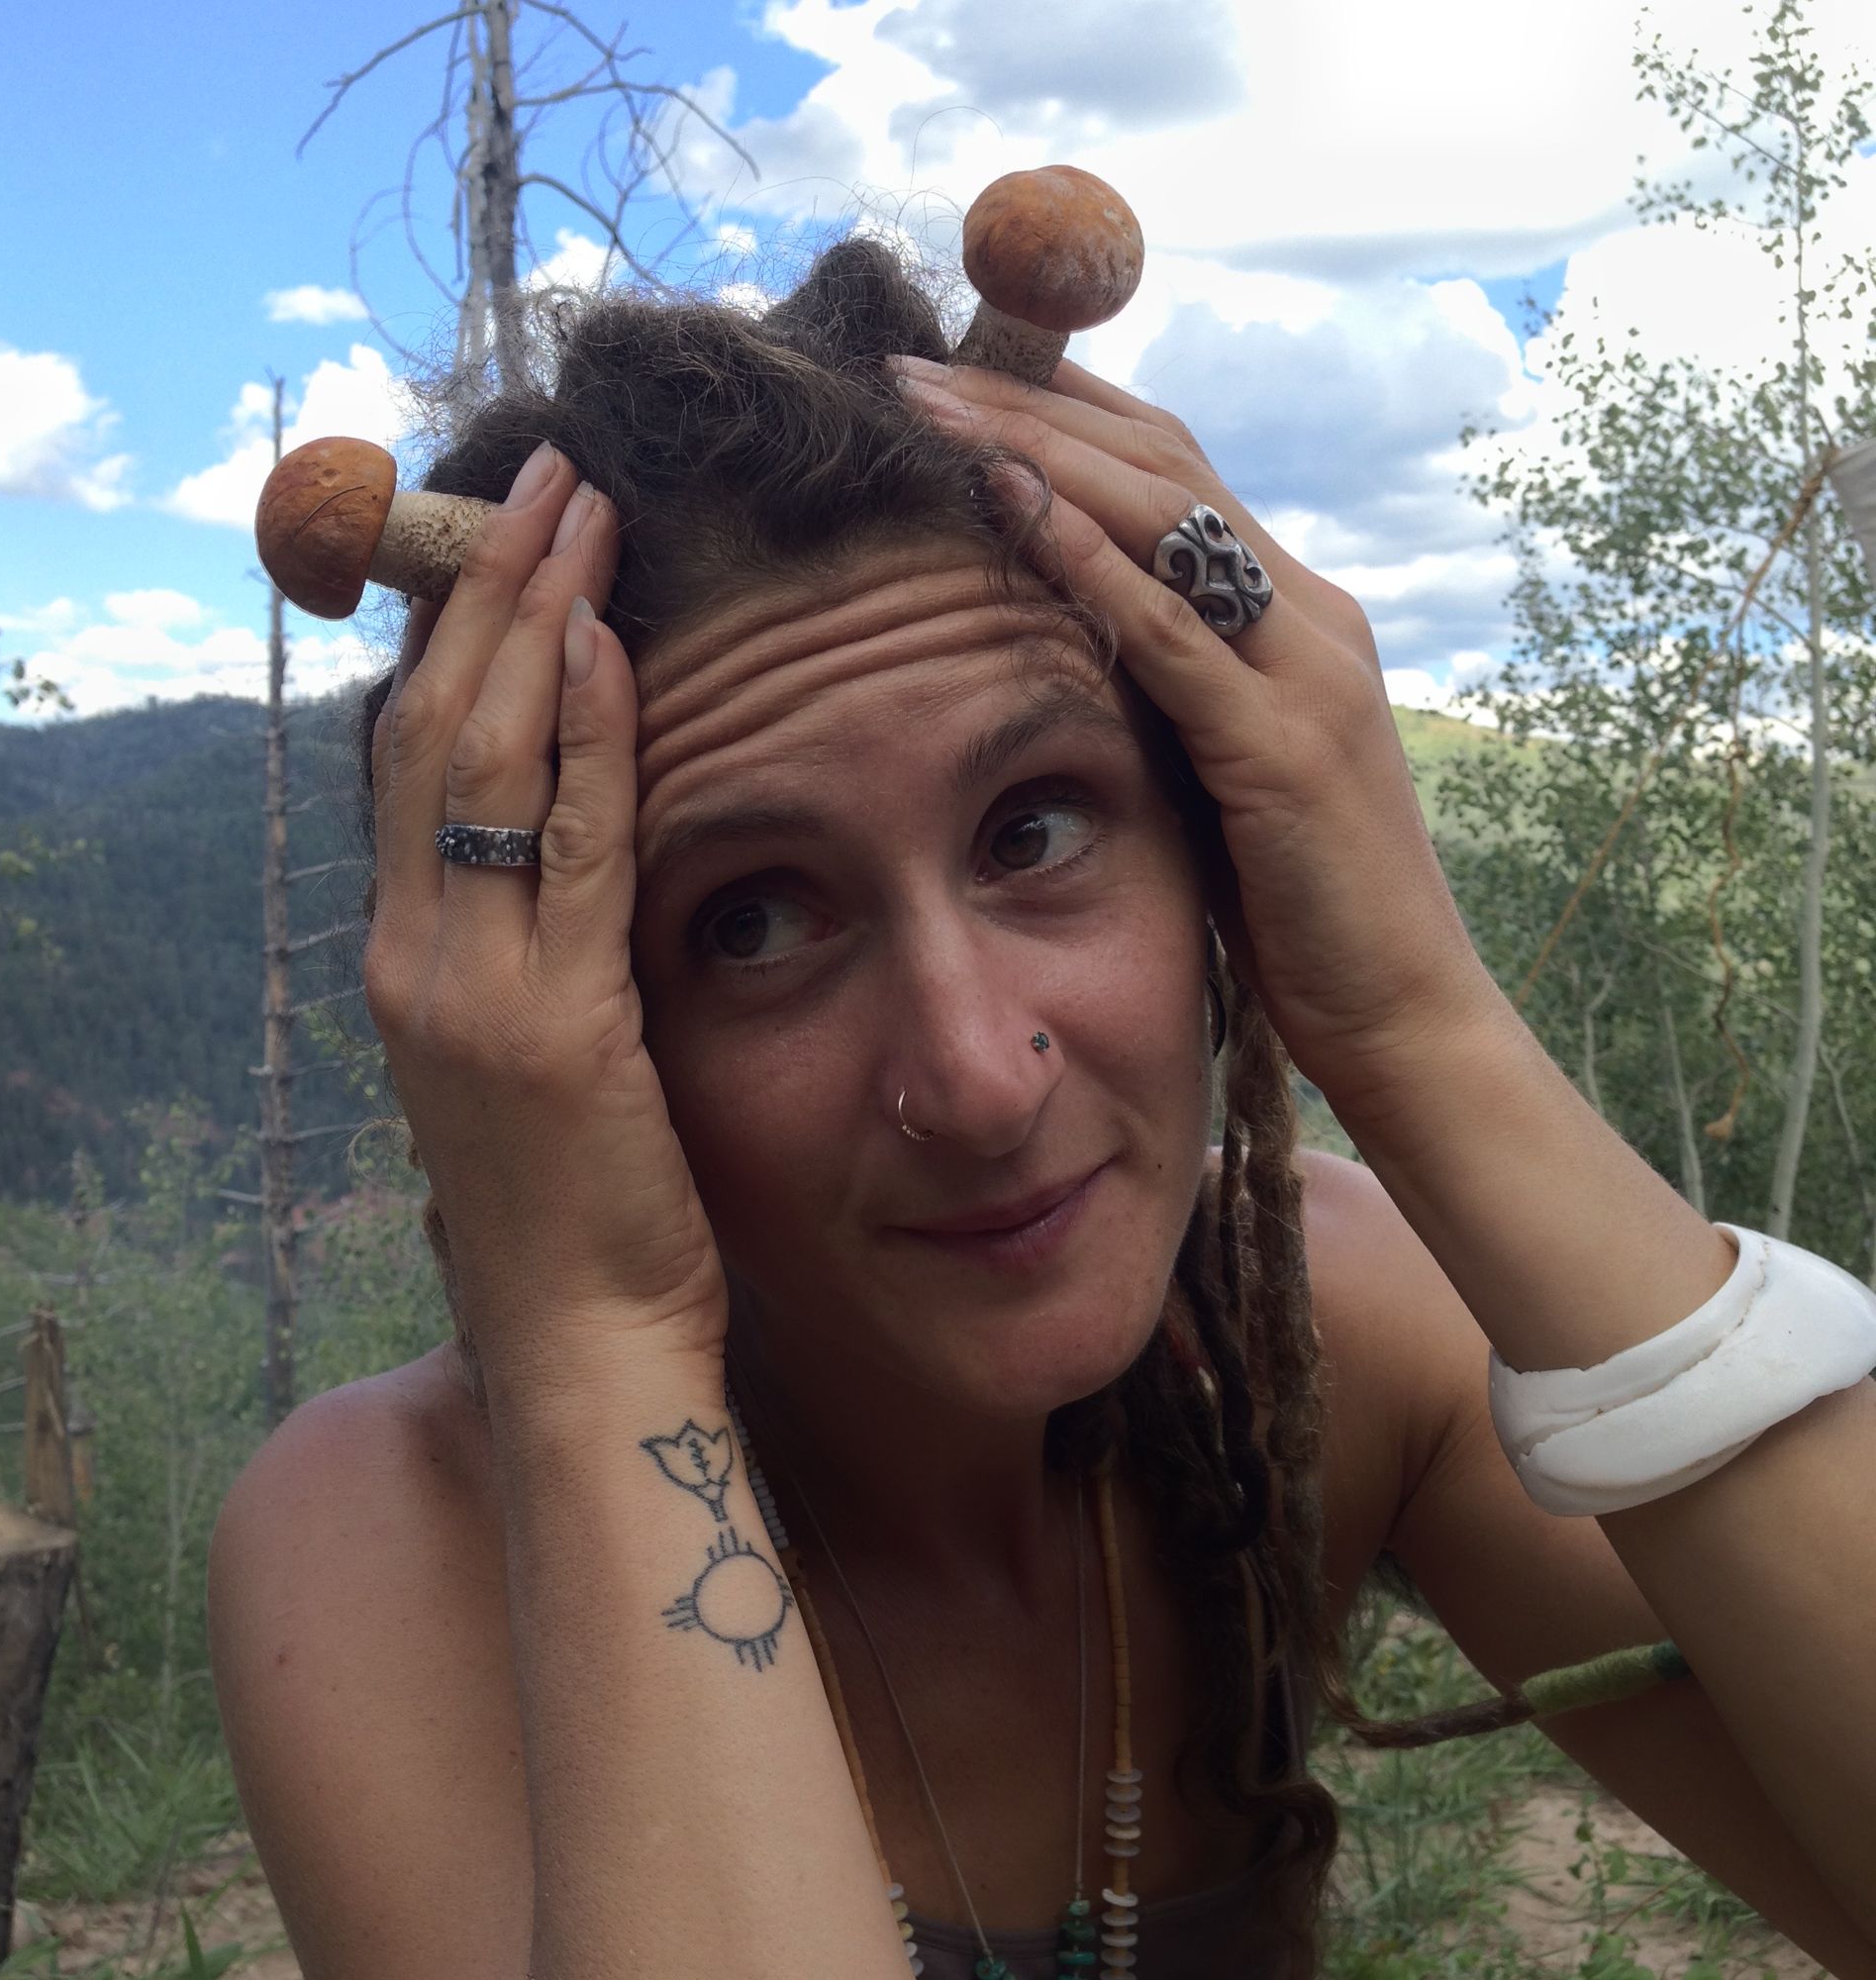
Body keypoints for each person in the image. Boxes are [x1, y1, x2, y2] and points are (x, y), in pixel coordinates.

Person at [206, 239, 1876, 1980]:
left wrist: (1415, 1019)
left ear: (1216, 851)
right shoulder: (395, 1546)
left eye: (1038, 831)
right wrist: (591, 1335)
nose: (980, 1078)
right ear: (570, 1029)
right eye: (754, 923)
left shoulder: (1316, 1331)